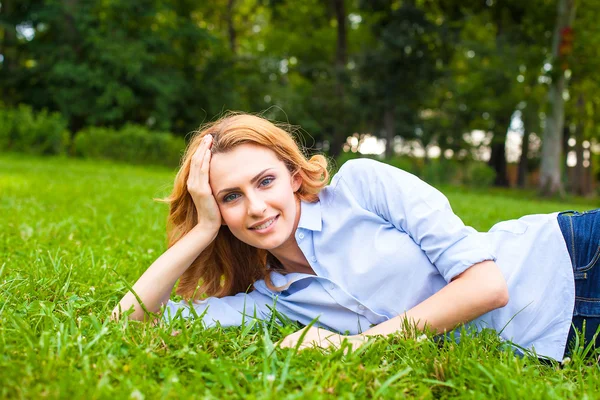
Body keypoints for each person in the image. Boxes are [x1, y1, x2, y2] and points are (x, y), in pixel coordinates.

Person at [113, 113, 600, 362]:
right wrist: (201, 230)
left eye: (265, 181)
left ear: (292, 175)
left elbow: (486, 286)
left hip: (573, 257)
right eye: (231, 197)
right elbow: (126, 325)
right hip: (568, 336)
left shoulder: (364, 186)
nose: (257, 207)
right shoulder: (272, 301)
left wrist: (353, 346)